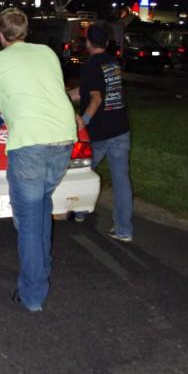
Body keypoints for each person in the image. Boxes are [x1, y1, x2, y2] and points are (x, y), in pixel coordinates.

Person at [0, 7, 76, 313]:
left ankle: (33, 294)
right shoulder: (46, 53)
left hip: (30, 145)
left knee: (29, 222)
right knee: (41, 208)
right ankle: (41, 269)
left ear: (1, 35)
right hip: (63, 139)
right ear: (26, 32)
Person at [73, 23, 133, 242]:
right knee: (121, 180)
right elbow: (90, 91)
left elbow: (96, 98)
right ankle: (124, 230)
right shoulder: (112, 63)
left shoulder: (89, 65)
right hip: (120, 128)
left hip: (99, 132)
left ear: (88, 42)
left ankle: (79, 211)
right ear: (106, 43)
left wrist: (83, 121)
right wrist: (66, 95)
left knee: (81, 172)